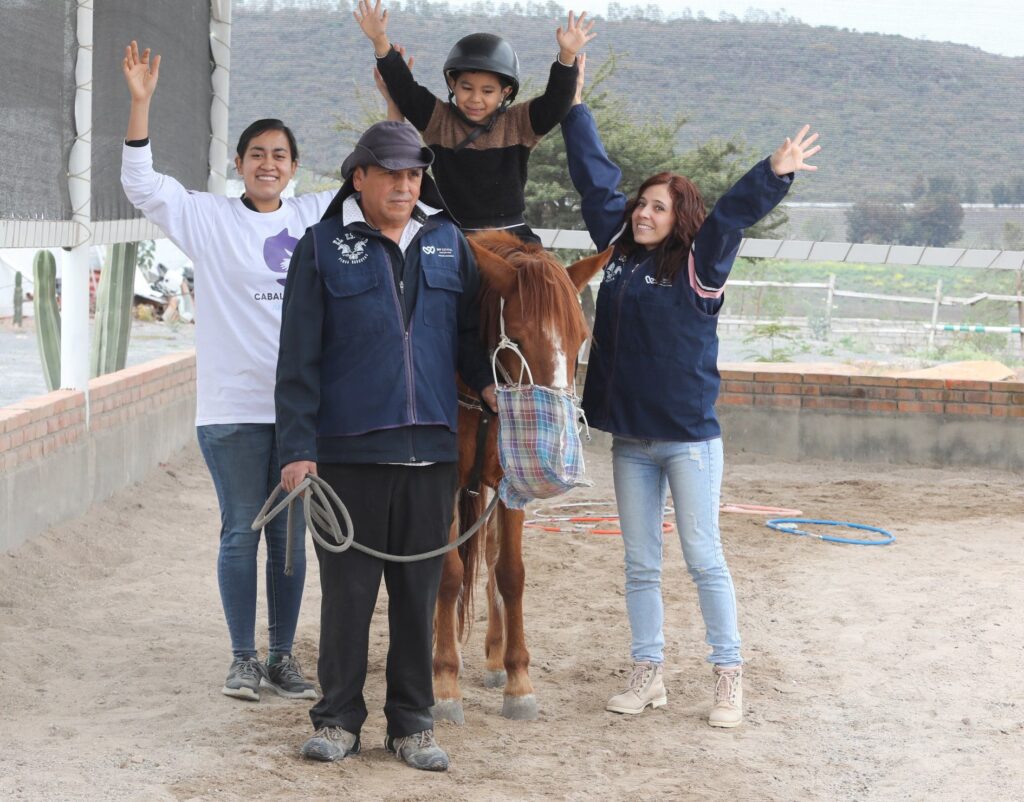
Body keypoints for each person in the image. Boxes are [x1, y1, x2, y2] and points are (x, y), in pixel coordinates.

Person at [561, 56, 821, 727]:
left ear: (679, 217)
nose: (643, 212)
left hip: (688, 443)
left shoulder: (700, 263)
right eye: (640, 203)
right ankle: (647, 672)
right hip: (630, 442)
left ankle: (727, 676)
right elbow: (595, 180)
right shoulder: (619, 252)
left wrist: (773, 173)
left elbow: (731, 217)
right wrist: (574, 105)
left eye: (658, 206)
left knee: (704, 558)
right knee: (640, 564)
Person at [275, 121, 496, 771]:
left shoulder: (448, 243)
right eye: (392, 173)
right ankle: (337, 719)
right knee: (348, 594)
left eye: (414, 174)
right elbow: (297, 358)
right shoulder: (321, 247)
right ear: (360, 177)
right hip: (348, 454)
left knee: (419, 594)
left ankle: (412, 724)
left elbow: (467, 340)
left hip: (432, 453)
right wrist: (296, 448)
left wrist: (490, 389)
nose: (405, 185)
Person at [120, 41, 334, 702]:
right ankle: (243, 659)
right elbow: (141, 185)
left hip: (298, 415)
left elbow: (381, 179)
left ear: (294, 167)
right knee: (242, 529)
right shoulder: (209, 218)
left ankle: (282, 658)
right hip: (232, 409)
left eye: (280, 155)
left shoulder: (313, 216)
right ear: (238, 164)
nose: (268, 164)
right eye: (257, 154)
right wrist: (140, 102)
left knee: (290, 538)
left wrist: (392, 94)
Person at [354, 0, 595, 241]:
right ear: (452, 84)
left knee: (540, 266)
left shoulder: (518, 123)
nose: (475, 99)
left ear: (505, 93)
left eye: (487, 91)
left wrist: (567, 56)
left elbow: (556, 102)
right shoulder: (439, 121)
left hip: (511, 235)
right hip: (453, 235)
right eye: (467, 88)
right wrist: (380, 41)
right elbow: (405, 90)